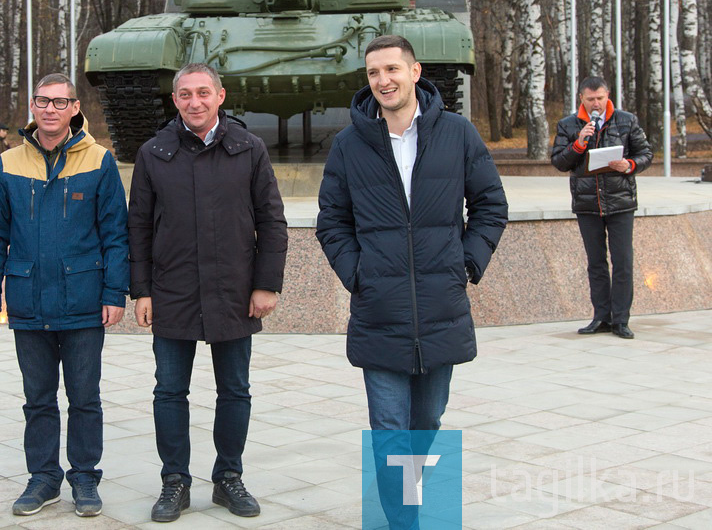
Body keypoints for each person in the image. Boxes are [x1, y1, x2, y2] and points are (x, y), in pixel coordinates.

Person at [316, 35, 507, 528]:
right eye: (374, 72)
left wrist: (467, 263)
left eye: (393, 69)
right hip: (379, 311)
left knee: (426, 427)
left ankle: (414, 505)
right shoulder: (349, 143)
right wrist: (357, 273)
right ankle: (404, 521)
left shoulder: (457, 133)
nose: (384, 80)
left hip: (440, 310)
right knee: (390, 433)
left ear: (415, 72)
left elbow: (490, 205)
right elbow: (331, 221)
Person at [128, 63, 287, 523]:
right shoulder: (154, 152)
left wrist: (266, 283)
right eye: (184, 95)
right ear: (174, 100)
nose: (194, 102)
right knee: (169, 391)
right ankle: (174, 482)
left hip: (234, 290)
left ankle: (228, 478)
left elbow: (272, 221)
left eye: (203, 93)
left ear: (220, 96)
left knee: (234, 390)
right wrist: (141, 290)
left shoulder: (249, 149)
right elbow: (137, 225)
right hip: (172, 289)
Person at [0, 73, 129, 518]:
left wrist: (115, 291)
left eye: (60, 103)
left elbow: (115, 235)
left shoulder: (99, 161)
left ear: (75, 108)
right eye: (43, 101)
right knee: (38, 399)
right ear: (31, 105)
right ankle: (43, 478)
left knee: (85, 397)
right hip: (28, 302)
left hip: (84, 302)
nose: (50, 110)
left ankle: (84, 477)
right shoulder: (8, 165)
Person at [551, 76, 652, 339]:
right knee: (596, 263)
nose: (596, 104)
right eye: (590, 99)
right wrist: (579, 143)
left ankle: (620, 320)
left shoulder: (626, 120)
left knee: (623, 262)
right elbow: (560, 162)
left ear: (608, 96)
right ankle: (601, 317)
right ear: (581, 99)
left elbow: (645, 154)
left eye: (600, 98)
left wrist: (629, 165)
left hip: (620, 202)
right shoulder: (569, 125)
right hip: (587, 204)